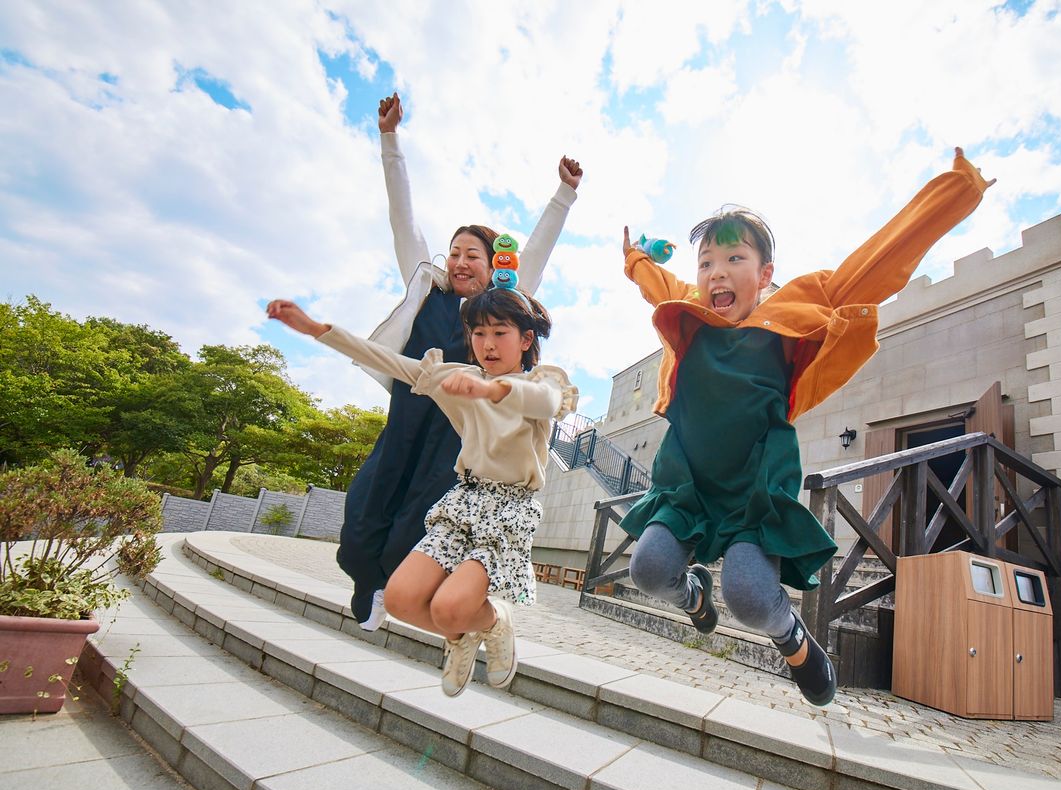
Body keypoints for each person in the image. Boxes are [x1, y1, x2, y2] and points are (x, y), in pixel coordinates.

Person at [619, 148, 992, 706]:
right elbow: (657, 283)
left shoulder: (790, 314)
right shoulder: (690, 314)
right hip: (689, 482)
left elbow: (872, 268)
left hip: (753, 488)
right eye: (706, 264)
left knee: (748, 594)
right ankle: (693, 595)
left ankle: (794, 641)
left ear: (764, 274)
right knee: (648, 568)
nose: (717, 272)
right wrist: (633, 260)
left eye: (734, 259)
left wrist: (953, 195)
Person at [340, 91, 583, 628]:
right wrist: (389, 141)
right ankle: (367, 581)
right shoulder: (425, 287)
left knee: (417, 520)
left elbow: (535, 253)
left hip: (456, 433)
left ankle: (402, 594)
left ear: (494, 265)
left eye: (472, 253)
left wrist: (563, 195)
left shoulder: (496, 307)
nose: (459, 260)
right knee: (362, 513)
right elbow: (401, 216)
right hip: (405, 420)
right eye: (454, 251)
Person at [267, 285, 577, 696]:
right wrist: (317, 330)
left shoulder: (540, 382)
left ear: (525, 340)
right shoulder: (459, 377)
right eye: (478, 333)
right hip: (462, 501)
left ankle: (492, 623)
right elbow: (394, 363)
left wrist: (493, 389)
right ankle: (464, 635)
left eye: (499, 333)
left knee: (449, 607)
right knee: (400, 599)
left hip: (508, 509)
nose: (486, 344)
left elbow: (544, 400)